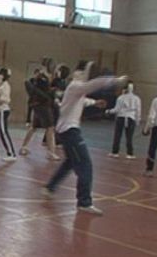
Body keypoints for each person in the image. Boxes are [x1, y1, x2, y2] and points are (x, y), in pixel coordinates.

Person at [41, 61, 127, 215]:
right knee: (85, 164)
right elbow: (90, 86)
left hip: (66, 131)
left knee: (70, 162)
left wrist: (95, 102)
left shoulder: (75, 89)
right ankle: (84, 202)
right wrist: (115, 80)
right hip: (70, 132)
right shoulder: (75, 86)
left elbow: (82, 99)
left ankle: (50, 187)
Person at [19, 68, 60, 160]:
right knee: (50, 128)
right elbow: (46, 92)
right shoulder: (41, 80)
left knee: (33, 127)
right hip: (43, 107)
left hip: (39, 107)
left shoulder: (39, 81)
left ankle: (23, 147)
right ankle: (51, 152)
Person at [106, 80, 141, 159]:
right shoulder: (137, 98)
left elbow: (116, 109)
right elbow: (138, 110)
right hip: (131, 119)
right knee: (129, 137)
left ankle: (115, 152)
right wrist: (137, 120)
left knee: (117, 136)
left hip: (120, 118)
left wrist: (108, 111)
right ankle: (130, 154)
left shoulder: (121, 98)